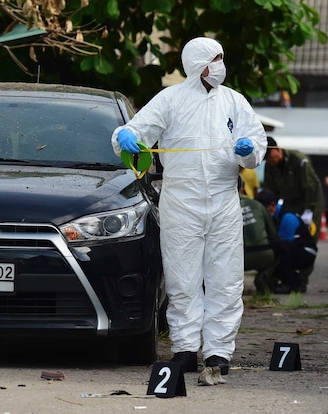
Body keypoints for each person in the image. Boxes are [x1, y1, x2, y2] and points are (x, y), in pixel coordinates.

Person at [111, 36, 267, 376]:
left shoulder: (234, 102)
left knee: (226, 279)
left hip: (225, 199)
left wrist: (249, 151)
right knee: (183, 279)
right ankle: (184, 350)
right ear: (199, 63)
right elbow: (135, 133)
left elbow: (258, 143)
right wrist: (125, 136)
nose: (221, 66)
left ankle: (219, 353)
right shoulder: (171, 100)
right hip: (181, 200)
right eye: (216, 58)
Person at [262, 136, 323, 291]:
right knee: (283, 241)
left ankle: (301, 280)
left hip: (310, 203)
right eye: (265, 159)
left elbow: (311, 187)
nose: (269, 161)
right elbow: (271, 191)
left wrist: (309, 212)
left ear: (277, 149)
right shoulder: (270, 167)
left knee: (308, 239)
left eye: (269, 157)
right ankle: (284, 276)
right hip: (289, 204)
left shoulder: (299, 160)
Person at [255, 189, 319, 294]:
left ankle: (293, 283)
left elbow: (283, 246)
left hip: (307, 253)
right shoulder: (277, 215)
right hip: (296, 248)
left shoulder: (287, 217)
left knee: (279, 248)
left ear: (272, 206)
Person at [240, 177, 279, 293]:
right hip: (265, 255)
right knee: (281, 251)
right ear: (242, 189)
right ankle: (265, 277)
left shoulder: (222, 208)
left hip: (239, 260)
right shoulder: (257, 205)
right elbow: (272, 233)